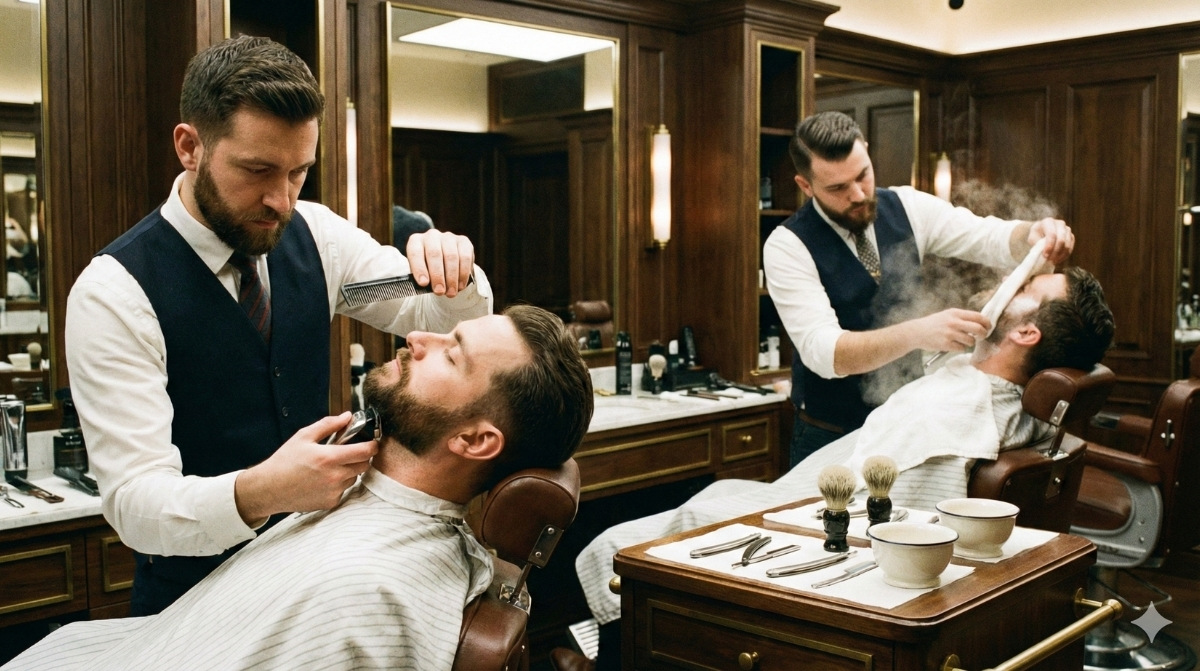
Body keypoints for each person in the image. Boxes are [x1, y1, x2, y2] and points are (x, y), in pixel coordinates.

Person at [64, 35, 491, 616]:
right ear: (190, 147)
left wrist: (455, 272)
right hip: (191, 607)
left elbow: (438, 317)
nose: (281, 200)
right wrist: (265, 490)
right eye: (257, 170)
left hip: (312, 582)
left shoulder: (318, 235)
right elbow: (135, 505)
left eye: (298, 173)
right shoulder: (113, 292)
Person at [553, 266, 1113, 671]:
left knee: (626, 541)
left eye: (1027, 286)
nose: (1010, 281)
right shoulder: (1001, 401)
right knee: (715, 492)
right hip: (810, 492)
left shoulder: (958, 418)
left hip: (818, 523)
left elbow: (901, 515)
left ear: (1026, 333)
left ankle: (615, 660)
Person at [7, 305, 594, 671]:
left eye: (453, 353)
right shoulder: (345, 494)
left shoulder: (369, 590)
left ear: (474, 440)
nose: (420, 336)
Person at [766, 111, 1077, 467]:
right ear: (805, 186)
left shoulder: (907, 206)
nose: (858, 194)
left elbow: (989, 237)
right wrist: (919, 332)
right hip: (829, 432)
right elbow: (826, 354)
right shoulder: (788, 246)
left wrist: (1033, 232)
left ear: (867, 151)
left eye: (863, 175)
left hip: (909, 427)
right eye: (837, 188)